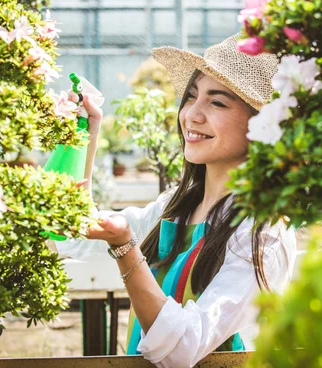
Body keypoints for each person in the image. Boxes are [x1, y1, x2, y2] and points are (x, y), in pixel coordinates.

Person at [56, 34, 297, 367]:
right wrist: (84, 134)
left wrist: (126, 249)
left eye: (218, 102)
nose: (191, 115)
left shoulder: (261, 234)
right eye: (192, 97)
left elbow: (182, 349)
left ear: (262, 126)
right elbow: (72, 236)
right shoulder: (174, 208)